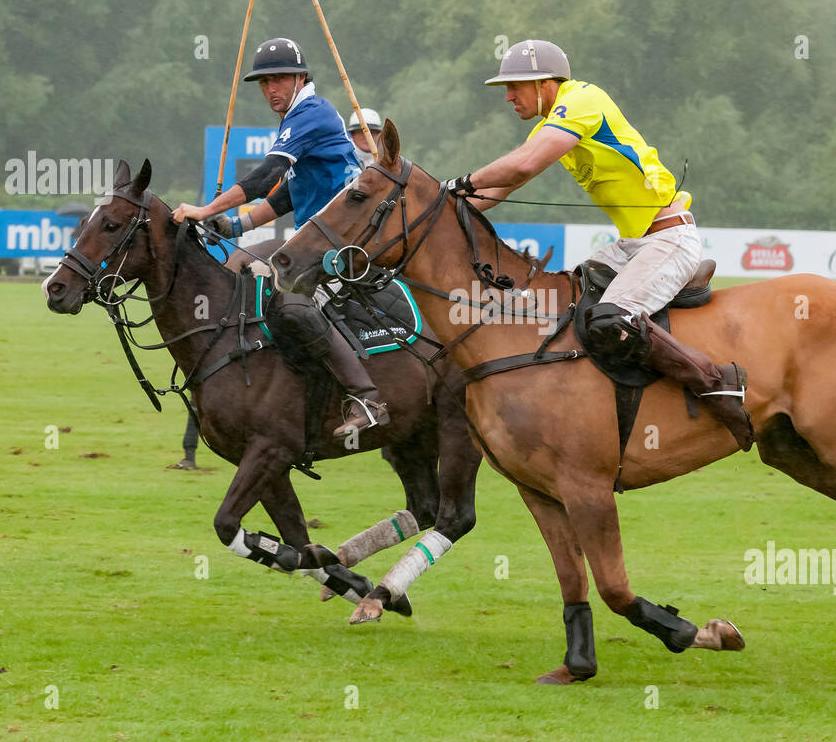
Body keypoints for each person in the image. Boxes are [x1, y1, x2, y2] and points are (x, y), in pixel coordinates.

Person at [440, 39, 753, 449]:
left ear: (546, 83)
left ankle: (717, 385)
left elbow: (523, 164)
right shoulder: (549, 126)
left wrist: (459, 183)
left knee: (610, 320)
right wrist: (443, 206)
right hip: (631, 245)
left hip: (669, 239)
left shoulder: (583, 99)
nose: (508, 96)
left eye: (516, 85)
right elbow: (507, 183)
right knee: (561, 305)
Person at [173, 37, 389, 437]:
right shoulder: (299, 117)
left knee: (289, 301)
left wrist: (205, 210)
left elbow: (266, 176)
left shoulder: (311, 112)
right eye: (264, 82)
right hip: (318, 239)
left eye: (279, 79)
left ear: (300, 78)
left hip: (343, 241)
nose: (271, 89)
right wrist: (234, 226)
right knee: (251, 281)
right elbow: (288, 192)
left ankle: (365, 397)